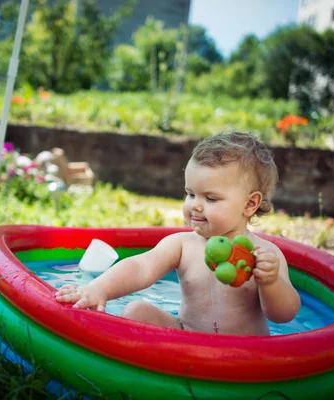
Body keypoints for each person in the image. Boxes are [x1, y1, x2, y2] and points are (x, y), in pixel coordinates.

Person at [55, 132, 301, 335]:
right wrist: (99, 289)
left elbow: (284, 315)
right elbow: (141, 267)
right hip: (187, 338)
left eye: (211, 198)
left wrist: (270, 282)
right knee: (136, 311)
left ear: (250, 204)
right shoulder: (183, 245)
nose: (195, 205)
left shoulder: (264, 255)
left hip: (243, 354)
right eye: (190, 193)